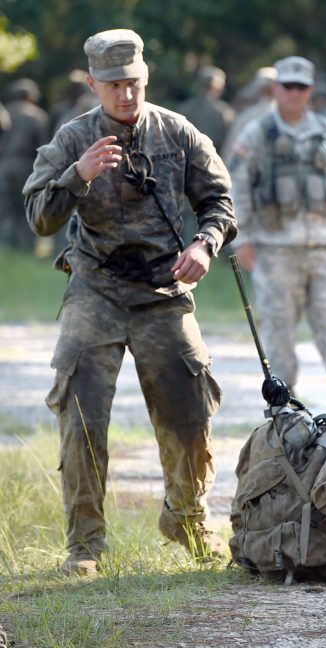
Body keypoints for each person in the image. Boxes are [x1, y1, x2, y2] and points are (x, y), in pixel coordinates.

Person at [23, 28, 237, 576]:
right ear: (93, 83)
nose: (126, 95)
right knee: (82, 415)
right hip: (95, 289)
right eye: (114, 85)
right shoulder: (72, 140)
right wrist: (78, 176)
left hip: (164, 289)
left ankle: (188, 520)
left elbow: (219, 202)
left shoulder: (179, 132)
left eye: (135, 83)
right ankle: (86, 546)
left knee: (191, 412)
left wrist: (203, 245)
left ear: (147, 79)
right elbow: (39, 217)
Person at [229, 55, 326, 425]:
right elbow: (240, 189)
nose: (294, 93)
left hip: (323, 244)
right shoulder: (257, 133)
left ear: (311, 90)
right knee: (277, 323)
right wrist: (243, 237)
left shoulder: (325, 131)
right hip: (274, 246)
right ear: (276, 89)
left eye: (301, 87)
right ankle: (285, 403)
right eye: (288, 86)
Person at [0, 78, 49, 252]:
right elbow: (44, 146)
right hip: (27, 165)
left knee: (5, 207)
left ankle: (5, 246)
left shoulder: (5, 112)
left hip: (4, 164)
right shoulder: (37, 115)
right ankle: (27, 247)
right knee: (27, 207)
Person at [177, 65, 235, 153]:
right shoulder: (225, 112)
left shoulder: (184, 109)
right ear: (217, 88)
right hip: (215, 160)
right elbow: (230, 143)